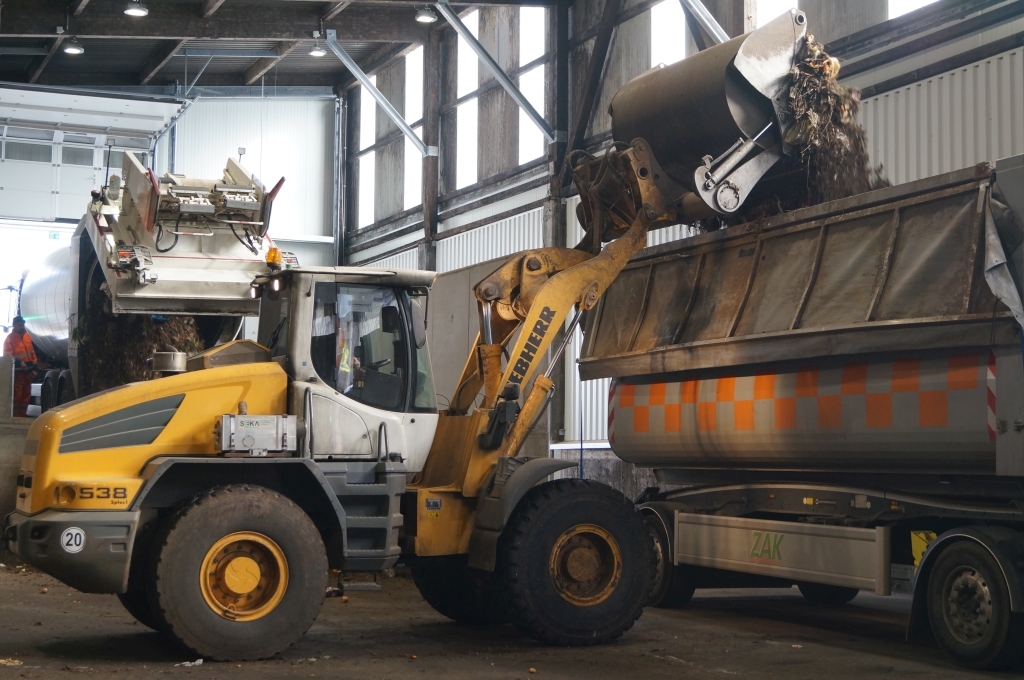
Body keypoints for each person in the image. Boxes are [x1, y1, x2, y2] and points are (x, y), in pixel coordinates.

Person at [4, 316, 36, 417]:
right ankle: (16, 415)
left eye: (22, 324)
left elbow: (32, 353)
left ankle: (22, 414)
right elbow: (7, 355)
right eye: (19, 325)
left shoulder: (27, 336)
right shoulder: (10, 339)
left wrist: (35, 369)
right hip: (18, 372)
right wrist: (19, 363)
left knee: (26, 395)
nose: (22, 326)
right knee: (17, 395)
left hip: (28, 371)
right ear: (14, 325)